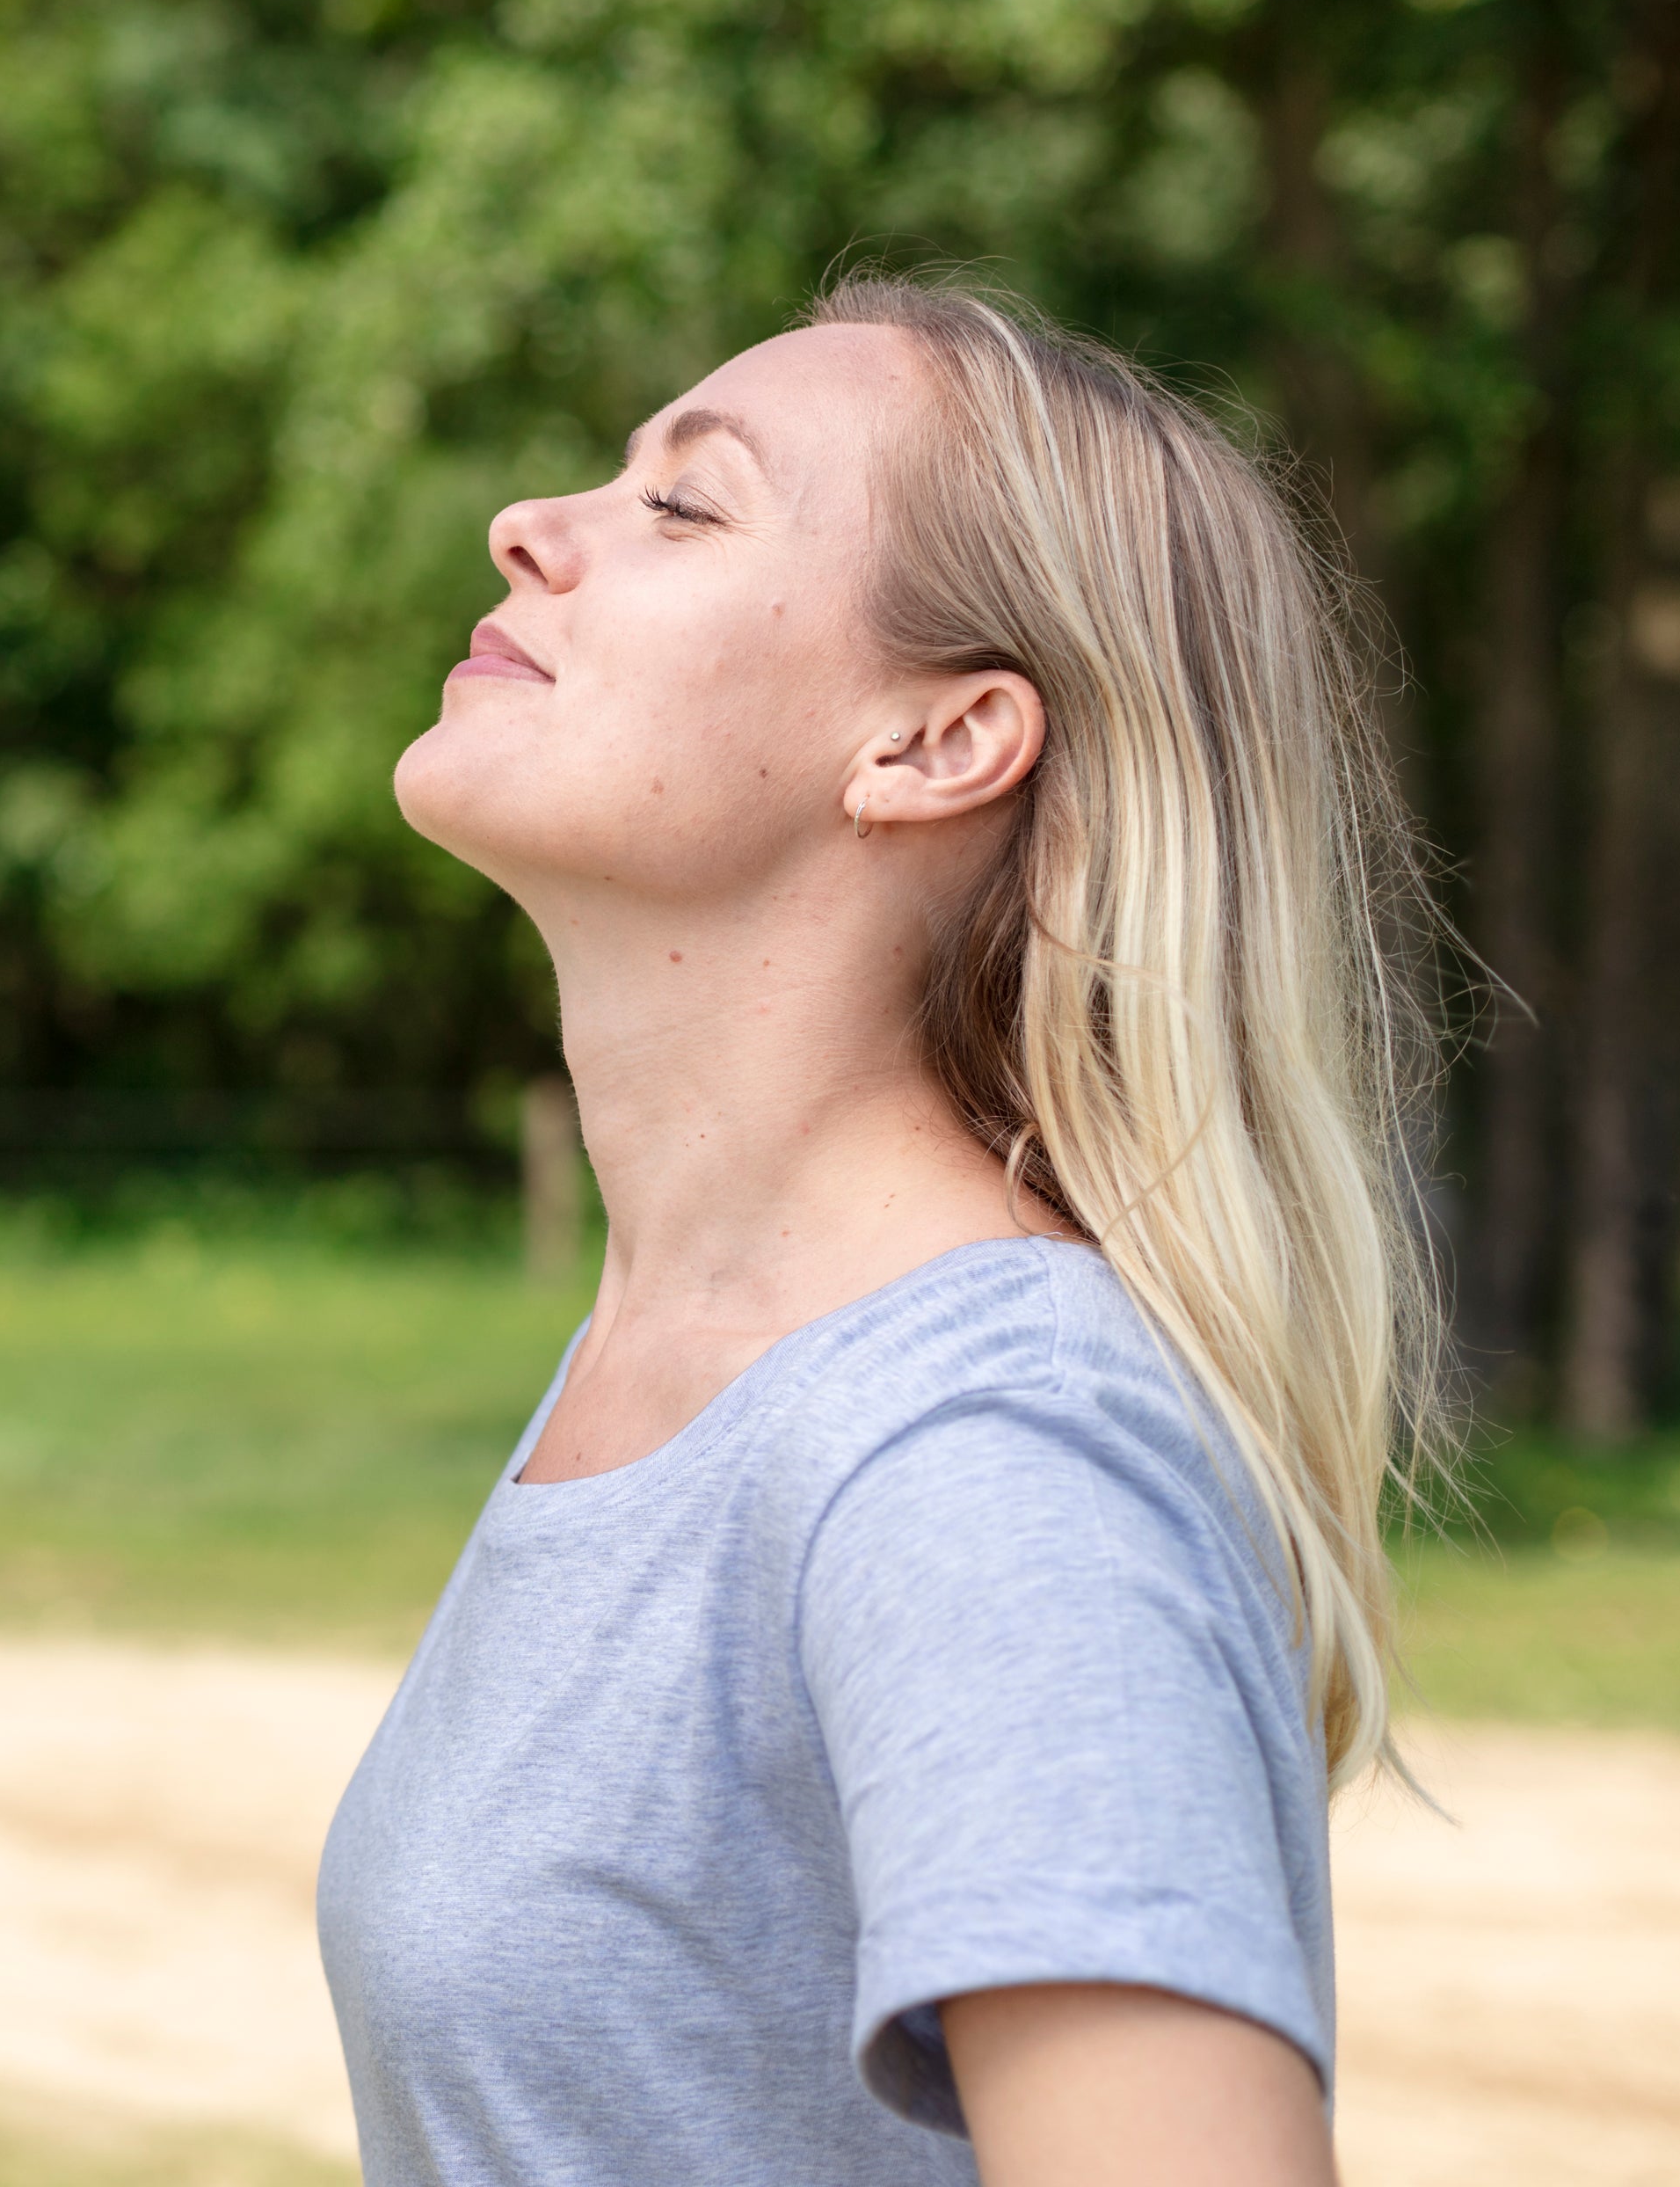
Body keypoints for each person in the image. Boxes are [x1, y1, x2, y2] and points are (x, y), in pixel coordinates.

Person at [316, 273, 1450, 2186]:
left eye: (686, 503)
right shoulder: (687, 1363)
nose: (530, 525)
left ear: (939, 742)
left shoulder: (982, 1449)